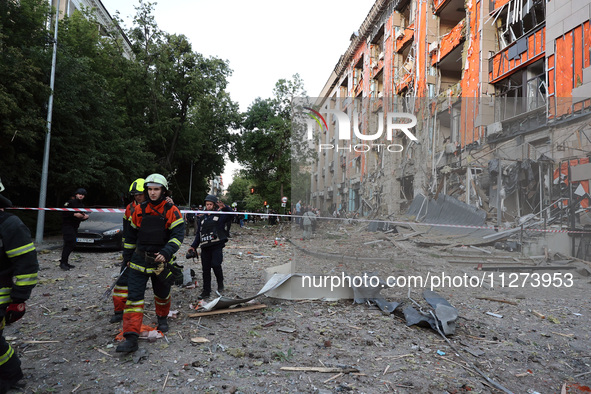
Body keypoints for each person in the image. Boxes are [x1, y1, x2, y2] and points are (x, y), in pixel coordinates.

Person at [116, 174, 184, 353]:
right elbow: (130, 237)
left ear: (163, 190)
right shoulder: (138, 210)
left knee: (162, 294)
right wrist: (127, 259)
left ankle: (162, 318)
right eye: (150, 189)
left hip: (160, 263)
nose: (152, 193)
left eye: (156, 189)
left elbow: (178, 235)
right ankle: (130, 337)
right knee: (134, 299)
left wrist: (166, 252)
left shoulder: (172, 210)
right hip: (139, 261)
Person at [0, 178, 39, 391]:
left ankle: (10, 376)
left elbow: (27, 265)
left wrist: (19, 299)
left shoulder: (9, 224)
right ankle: (12, 372)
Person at [109, 178, 145, 324]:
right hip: (132, 252)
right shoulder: (130, 208)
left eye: (140, 194)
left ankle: (162, 316)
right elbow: (127, 233)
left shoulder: (157, 207)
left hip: (149, 252)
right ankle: (119, 311)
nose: (137, 197)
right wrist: (127, 254)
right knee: (122, 282)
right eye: (135, 194)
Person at [187, 194, 232, 300]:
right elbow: (198, 234)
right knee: (205, 270)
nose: (208, 206)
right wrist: (193, 246)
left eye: (210, 204)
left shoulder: (220, 216)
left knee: (216, 265)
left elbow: (231, 215)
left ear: (214, 205)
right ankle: (206, 291)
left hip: (216, 245)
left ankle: (220, 283)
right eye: (207, 204)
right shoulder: (202, 219)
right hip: (205, 247)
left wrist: (225, 207)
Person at [60, 188, 89, 270]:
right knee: (69, 243)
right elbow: (64, 213)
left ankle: (65, 262)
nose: (81, 196)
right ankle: (63, 263)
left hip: (74, 227)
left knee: (71, 244)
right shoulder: (70, 203)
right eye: (79, 194)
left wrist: (84, 217)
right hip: (67, 226)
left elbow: (80, 216)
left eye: (83, 195)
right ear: (76, 194)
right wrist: (74, 214)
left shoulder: (81, 205)